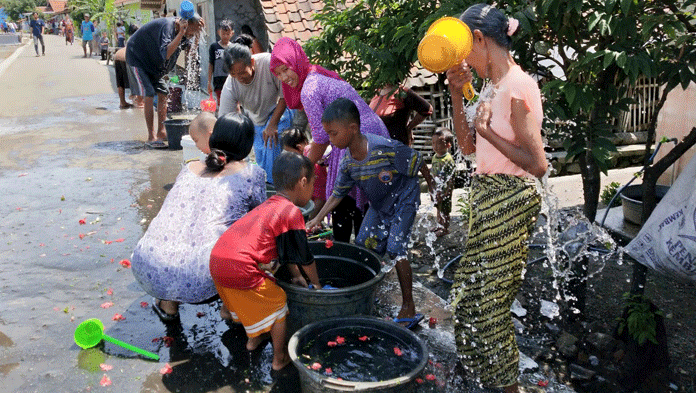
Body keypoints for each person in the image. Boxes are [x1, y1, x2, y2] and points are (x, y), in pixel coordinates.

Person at [445, 5, 547, 392]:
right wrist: (457, 96)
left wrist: (489, 133)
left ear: (480, 40)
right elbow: (469, 147)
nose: (466, 61)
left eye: (466, 51)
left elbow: (537, 164)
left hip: (511, 199)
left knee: (489, 309)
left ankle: (509, 388)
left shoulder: (517, 86)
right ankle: (485, 378)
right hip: (488, 197)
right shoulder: (492, 87)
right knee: (467, 300)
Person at [306, 98, 434, 329]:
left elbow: (418, 160)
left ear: (353, 129)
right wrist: (316, 218)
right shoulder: (348, 163)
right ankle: (367, 291)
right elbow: (337, 193)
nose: (330, 140)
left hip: (404, 198)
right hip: (380, 205)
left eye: (333, 134)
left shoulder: (384, 148)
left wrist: (433, 188)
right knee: (364, 243)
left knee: (396, 249)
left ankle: (409, 306)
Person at [131, 113, 267, 323]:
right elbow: (260, 219)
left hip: (147, 263)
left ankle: (168, 305)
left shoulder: (189, 167)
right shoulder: (252, 174)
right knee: (251, 233)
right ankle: (230, 306)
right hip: (204, 277)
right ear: (248, 145)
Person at [210, 151, 322, 373]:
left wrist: (297, 276)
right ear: (302, 182)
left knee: (259, 293)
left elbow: (285, 250)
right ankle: (279, 359)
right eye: (312, 185)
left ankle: (253, 340)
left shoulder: (270, 204)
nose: (312, 191)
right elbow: (304, 257)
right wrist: (316, 284)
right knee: (278, 303)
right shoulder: (291, 211)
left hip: (217, 260)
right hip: (240, 266)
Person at [270, 37, 391, 243]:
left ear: (296, 61)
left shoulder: (309, 89)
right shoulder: (315, 74)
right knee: (362, 192)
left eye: (286, 69)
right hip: (373, 132)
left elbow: (321, 137)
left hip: (355, 136)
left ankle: (345, 247)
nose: (284, 77)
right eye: (279, 73)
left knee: (343, 194)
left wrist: (305, 168)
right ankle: (368, 248)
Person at [219, 43, 294, 183]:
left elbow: (286, 96)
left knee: (272, 147)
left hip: (279, 110)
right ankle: (266, 187)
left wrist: (273, 124)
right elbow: (225, 120)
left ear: (251, 62)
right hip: (256, 118)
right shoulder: (231, 84)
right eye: (233, 74)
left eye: (242, 72)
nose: (239, 77)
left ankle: (273, 188)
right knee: (261, 161)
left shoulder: (268, 63)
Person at [126, 12, 204, 146]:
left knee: (163, 92)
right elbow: (167, 53)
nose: (191, 36)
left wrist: (197, 34)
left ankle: (161, 131)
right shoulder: (168, 27)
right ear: (185, 25)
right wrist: (181, 33)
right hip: (138, 58)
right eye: (191, 32)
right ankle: (151, 136)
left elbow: (191, 50)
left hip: (154, 64)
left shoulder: (186, 31)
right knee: (149, 93)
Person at [281, 128, 327, 220]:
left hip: (317, 203)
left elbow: (321, 198)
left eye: (291, 153)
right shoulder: (302, 159)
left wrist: (313, 218)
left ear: (300, 148)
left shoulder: (314, 165)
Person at [430, 128, 456, 237]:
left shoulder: (448, 159)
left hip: (445, 190)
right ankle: (439, 225)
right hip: (437, 189)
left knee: (445, 210)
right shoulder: (434, 157)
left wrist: (448, 191)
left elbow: (451, 178)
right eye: (433, 143)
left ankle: (445, 228)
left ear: (448, 145)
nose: (435, 146)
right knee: (438, 208)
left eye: (439, 143)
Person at [207, 20, 234, 104]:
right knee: (220, 102)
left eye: (228, 34)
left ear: (232, 33)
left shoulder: (233, 48)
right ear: (219, 32)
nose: (225, 36)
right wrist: (209, 82)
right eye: (223, 34)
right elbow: (211, 64)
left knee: (233, 102)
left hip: (231, 80)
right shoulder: (214, 47)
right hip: (218, 81)